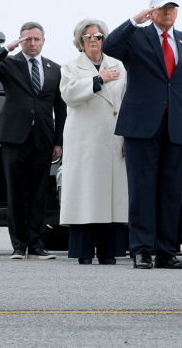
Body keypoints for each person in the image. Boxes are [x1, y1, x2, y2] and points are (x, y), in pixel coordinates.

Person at [101, 0, 182, 270]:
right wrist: (135, 21)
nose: (168, 12)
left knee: (172, 191)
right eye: (162, 8)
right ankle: (142, 249)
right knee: (142, 189)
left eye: (172, 8)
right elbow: (109, 46)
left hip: (178, 126)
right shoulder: (136, 37)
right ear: (151, 12)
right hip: (142, 126)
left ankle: (167, 250)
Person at [0, 22, 67, 260]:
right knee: (15, 193)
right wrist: (8, 48)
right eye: (27, 39)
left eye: (36, 39)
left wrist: (59, 142)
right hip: (14, 138)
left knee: (39, 193)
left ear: (43, 41)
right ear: (21, 40)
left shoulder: (55, 69)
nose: (32, 43)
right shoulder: (9, 64)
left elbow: (61, 107)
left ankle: (37, 246)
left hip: (43, 139)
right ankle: (19, 246)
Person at [58, 19, 128, 265]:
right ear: (80, 41)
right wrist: (99, 79)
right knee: (85, 195)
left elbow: (125, 101)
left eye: (98, 36)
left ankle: (110, 251)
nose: (94, 41)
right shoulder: (70, 66)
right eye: (88, 37)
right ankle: (83, 252)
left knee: (110, 196)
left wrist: (126, 136)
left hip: (112, 136)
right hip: (84, 139)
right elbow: (69, 94)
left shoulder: (117, 65)